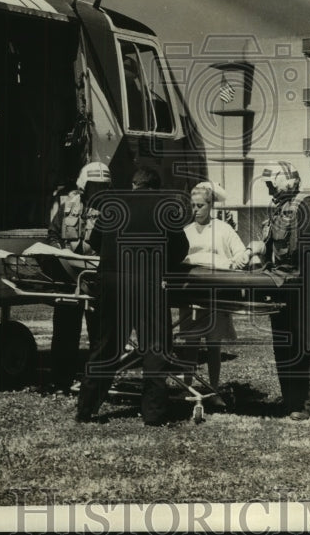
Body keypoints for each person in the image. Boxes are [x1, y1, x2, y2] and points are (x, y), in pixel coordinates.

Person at [75, 165, 191, 426]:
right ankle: (153, 413)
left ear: (134, 184)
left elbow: (94, 242)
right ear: (156, 187)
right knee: (155, 346)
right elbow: (180, 248)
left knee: (105, 346)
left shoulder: (113, 204)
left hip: (112, 282)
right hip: (148, 283)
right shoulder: (165, 205)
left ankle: (86, 409)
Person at [258, 162, 310, 421]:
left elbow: (302, 253)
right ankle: (290, 400)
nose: (268, 191)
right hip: (279, 285)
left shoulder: (307, 206)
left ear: (284, 181)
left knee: (304, 344)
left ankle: (307, 403)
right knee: (283, 344)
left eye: (270, 185)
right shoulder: (278, 210)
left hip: (301, 286)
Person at [46, 161, 111, 390]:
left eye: (103, 186)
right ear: (84, 185)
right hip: (68, 276)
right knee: (64, 330)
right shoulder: (67, 207)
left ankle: (96, 381)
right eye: (94, 186)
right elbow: (53, 233)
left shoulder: (113, 212)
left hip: (96, 277)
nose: (98, 191)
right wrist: (58, 249)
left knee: (98, 333)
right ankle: (61, 380)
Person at [179, 181, 250, 391]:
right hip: (191, 295)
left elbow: (239, 252)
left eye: (200, 205)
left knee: (213, 345)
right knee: (190, 344)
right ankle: (187, 387)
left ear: (211, 205)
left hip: (216, 296)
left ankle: (214, 388)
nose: (196, 210)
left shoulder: (223, 229)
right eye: (193, 205)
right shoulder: (186, 231)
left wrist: (241, 257)